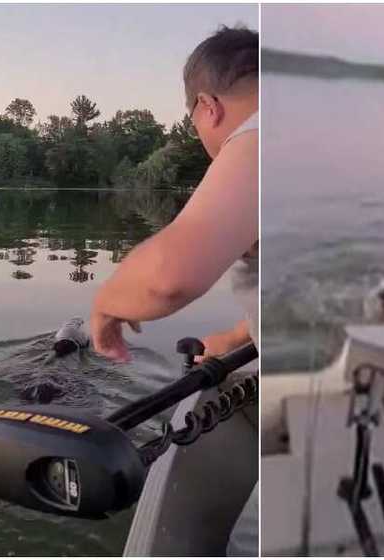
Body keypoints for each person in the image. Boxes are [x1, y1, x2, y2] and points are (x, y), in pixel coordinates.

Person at [88, 25, 259, 556]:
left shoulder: (263, 134)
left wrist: (105, 303)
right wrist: (241, 334)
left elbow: (170, 277)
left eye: (194, 122)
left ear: (207, 106)